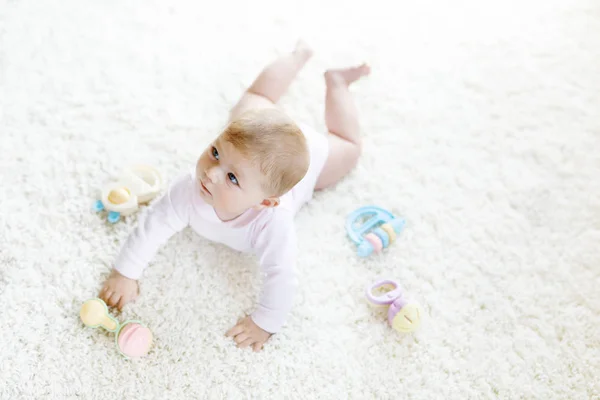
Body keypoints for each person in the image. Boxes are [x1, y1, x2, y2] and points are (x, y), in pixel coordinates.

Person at [99, 40, 370, 352]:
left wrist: (265, 322)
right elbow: (154, 222)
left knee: (349, 146)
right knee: (258, 97)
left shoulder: (273, 223)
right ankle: (297, 54)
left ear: (266, 201)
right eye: (215, 152)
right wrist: (125, 272)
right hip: (257, 130)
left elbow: (282, 274)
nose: (210, 173)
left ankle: (336, 84)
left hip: (309, 156)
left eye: (231, 178)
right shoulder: (191, 186)